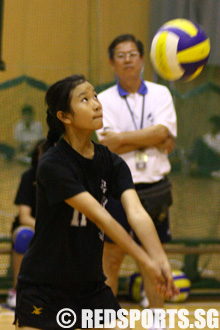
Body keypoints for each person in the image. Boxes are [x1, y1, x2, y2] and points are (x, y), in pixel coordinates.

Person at [14, 74, 177, 330]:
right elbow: (102, 218)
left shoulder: (111, 161)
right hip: (45, 287)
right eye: (85, 99)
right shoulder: (53, 164)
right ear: (64, 117)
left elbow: (136, 212)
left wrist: (160, 260)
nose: (97, 104)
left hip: (90, 288)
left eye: (96, 96)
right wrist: (145, 261)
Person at [96, 34, 177, 318]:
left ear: (142, 59)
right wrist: (150, 138)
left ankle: (157, 322)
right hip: (118, 190)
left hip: (155, 189)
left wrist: (123, 139)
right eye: (121, 55)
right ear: (111, 62)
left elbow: (163, 133)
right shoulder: (103, 99)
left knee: (153, 260)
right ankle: (106, 320)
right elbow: (107, 145)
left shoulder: (161, 94)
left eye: (132, 54)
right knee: (112, 258)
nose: (127, 59)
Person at [6, 139, 46, 309]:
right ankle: (18, 291)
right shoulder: (29, 177)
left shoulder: (65, 178)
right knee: (24, 237)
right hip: (31, 226)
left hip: (54, 228)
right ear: (37, 156)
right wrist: (46, 229)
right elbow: (24, 217)